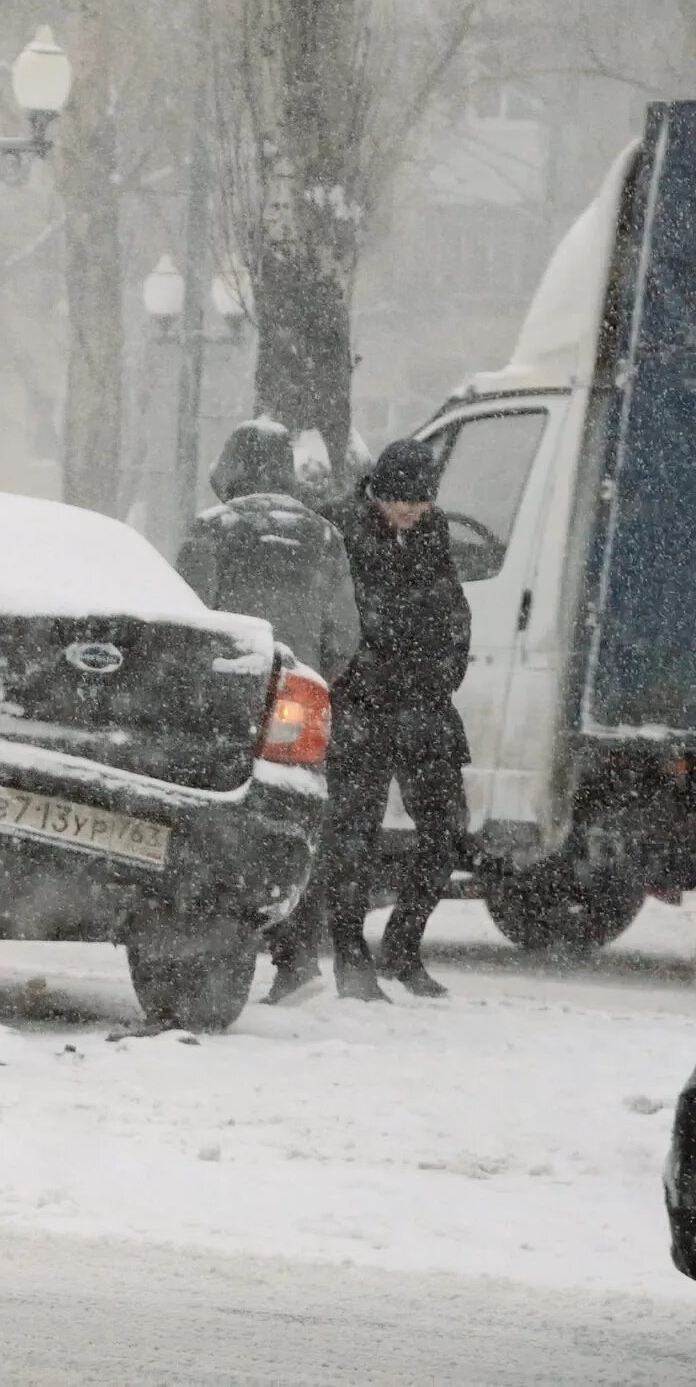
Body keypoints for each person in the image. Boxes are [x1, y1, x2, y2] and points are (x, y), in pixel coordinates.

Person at [176, 418, 362, 1005]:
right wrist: (308, 677)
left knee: (219, 816)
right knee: (291, 814)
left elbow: (186, 618)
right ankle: (297, 957)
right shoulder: (325, 538)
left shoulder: (212, 531)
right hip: (295, 700)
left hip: (224, 697)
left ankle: (211, 948)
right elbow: (345, 634)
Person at [317, 438, 473, 1001]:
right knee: (353, 835)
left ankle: (403, 948)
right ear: (376, 491)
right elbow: (340, 620)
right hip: (362, 706)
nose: (411, 509)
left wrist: (444, 672)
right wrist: (369, 676)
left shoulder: (433, 533)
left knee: (447, 833)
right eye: (400, 499)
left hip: (426, 707)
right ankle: (349, 955)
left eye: (422, 500)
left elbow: (453, 609)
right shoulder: (340, 530)